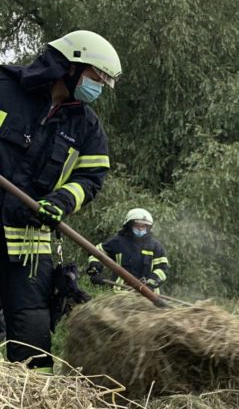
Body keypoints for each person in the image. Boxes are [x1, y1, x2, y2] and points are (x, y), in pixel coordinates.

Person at [0, 30, 121, 373]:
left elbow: (91, 178)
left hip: (30, 249)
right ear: (71, 66)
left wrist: (62, 201)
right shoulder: (5, 88)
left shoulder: (87, 127)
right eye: (97, 77)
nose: (99, 88)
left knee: (32, 342)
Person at [86, 208, 169, 292]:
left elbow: (162, 269)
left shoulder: (155, 246)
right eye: (137, 225)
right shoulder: (118, 242)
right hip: (120, 293)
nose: (140, 229)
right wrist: (95, 270)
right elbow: (96, 253)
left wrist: (151, 284)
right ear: (129, 225)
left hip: (148, 296)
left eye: (143, 226)